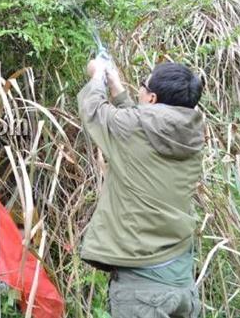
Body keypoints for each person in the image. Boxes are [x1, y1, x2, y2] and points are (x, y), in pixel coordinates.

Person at [78, 59, 204, 317]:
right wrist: (116, 87)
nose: (140, 90)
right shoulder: (192, 133)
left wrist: (97, 75)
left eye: (143, 86)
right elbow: (144, 127)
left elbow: (93, 109)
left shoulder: (132, 127)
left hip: (143, 289)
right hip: (181, 280)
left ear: (152, 98)